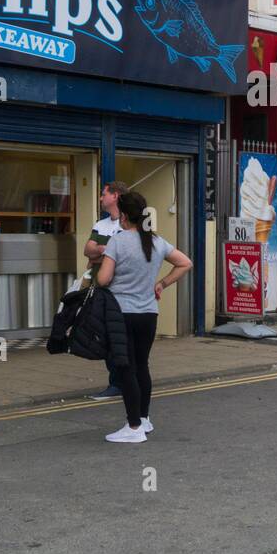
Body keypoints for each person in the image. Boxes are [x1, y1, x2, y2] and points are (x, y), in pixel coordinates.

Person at [94, 190, 192, 444]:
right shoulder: (157, 242)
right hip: (148, 314)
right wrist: (161, 283)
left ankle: (134, 426)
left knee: (125, 367)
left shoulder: (118, 241)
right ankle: (144, 418)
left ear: (124, 215)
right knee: (142, 365)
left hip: (121, 313)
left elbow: (103, 279)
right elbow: (185, 263)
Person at [83, 181, 128, 401]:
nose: (101, 198)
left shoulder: (129, 224)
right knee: (106, 336)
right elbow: (87, 249)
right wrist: (103, 249)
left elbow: (125, 254)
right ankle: (117, 382)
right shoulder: (101, 224)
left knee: (117, 337)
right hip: (99, 288)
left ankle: (119, 383)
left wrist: (99, 254)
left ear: (116, 196)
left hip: (119, 289)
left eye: (104, 194)